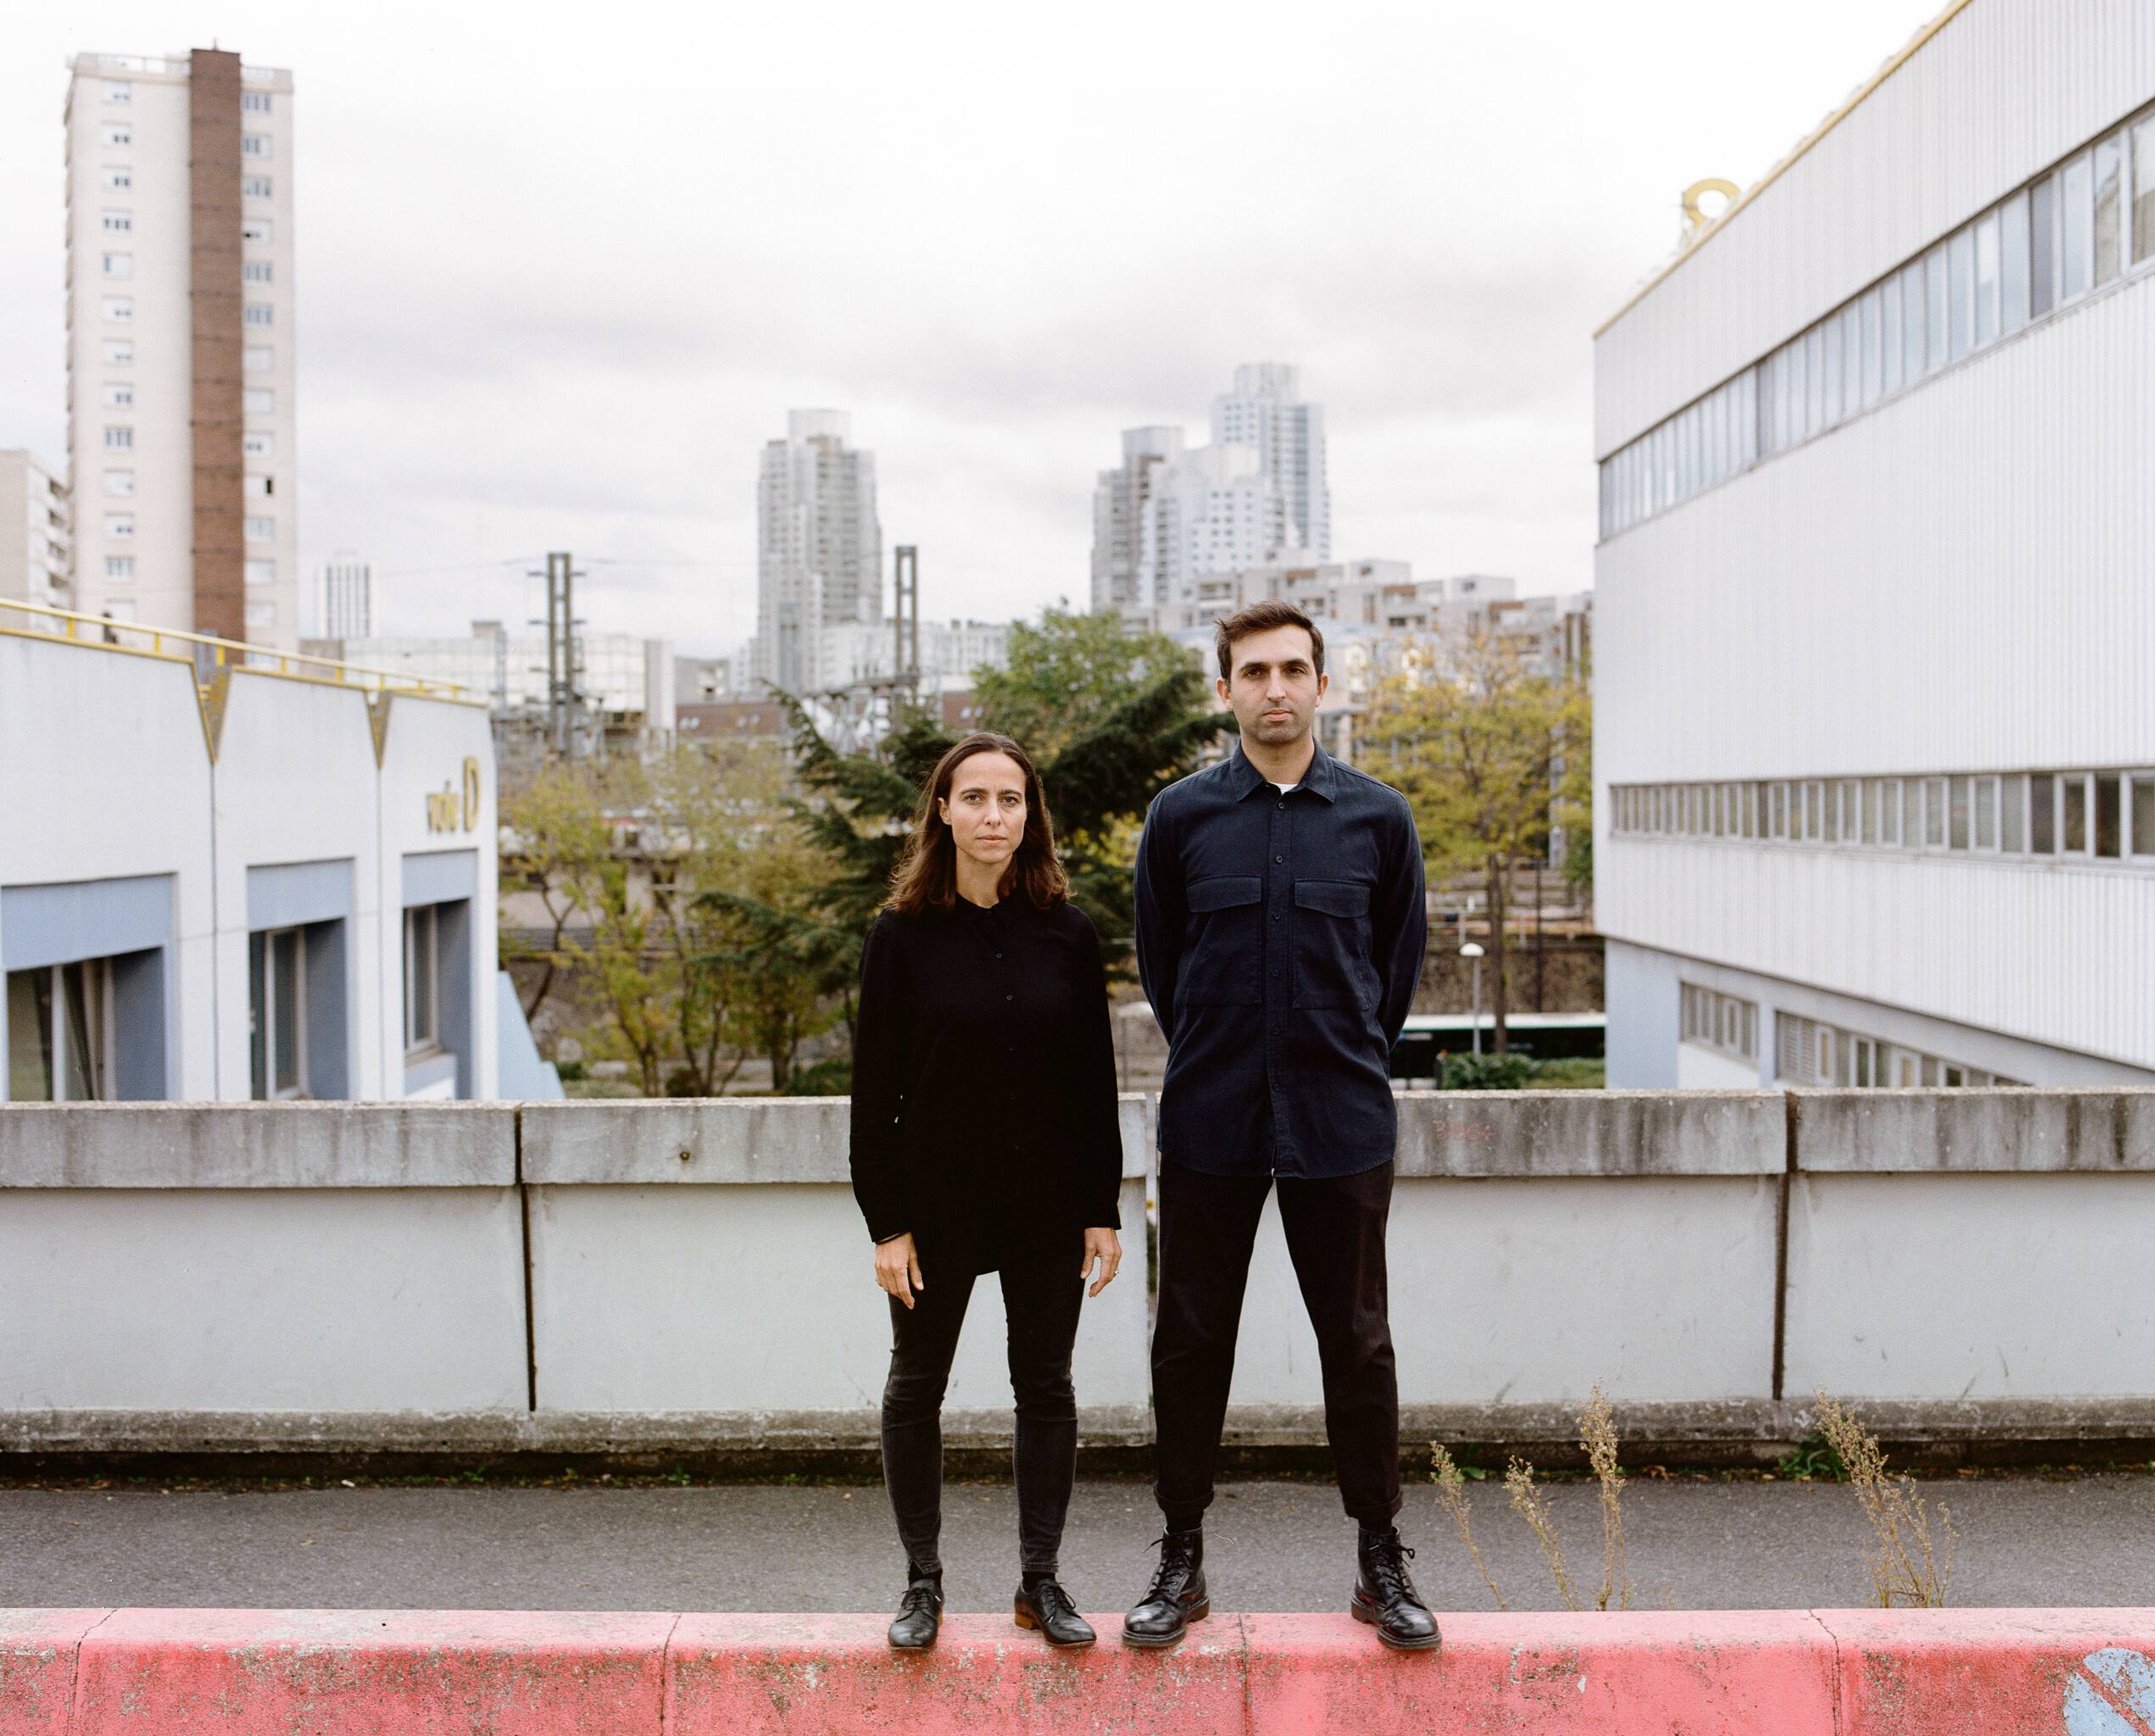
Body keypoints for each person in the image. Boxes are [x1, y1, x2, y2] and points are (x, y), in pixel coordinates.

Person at [1123, 600, 1438, 1652]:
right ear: (1224, 690)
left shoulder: (1379, 820)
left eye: (1293, 669)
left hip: (1339, 1121)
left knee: (1356, 1339)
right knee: (1189, 1339)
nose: (1274, 688)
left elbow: (1388, 978)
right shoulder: (1178, 820)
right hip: (1209, 1119)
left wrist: (1333, 1054)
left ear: (1321, 683)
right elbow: (1165, 971)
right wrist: (1225, 1053)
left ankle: (1380, 1557)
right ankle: (1180, 1554)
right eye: (1253, 671)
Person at [849, 731, 1126, 1652]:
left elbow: (1092, 1080)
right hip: (935, 1210)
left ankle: (1039, 1581)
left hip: (1047, 1205)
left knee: (1045, 1386)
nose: (993, 816)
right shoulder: (899, 936)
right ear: (942, 809)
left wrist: (1102, 1206)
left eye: (1010, 800)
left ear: (1029, 814)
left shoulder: (1067, 931)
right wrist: (886, 1223)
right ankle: (922, 1582)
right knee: (915, 1385)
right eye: (975, 798)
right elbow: (873, 1093)